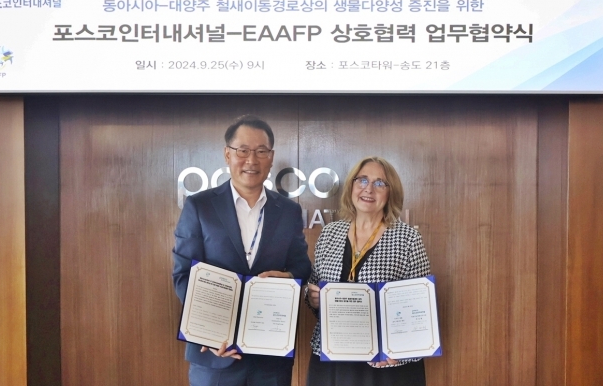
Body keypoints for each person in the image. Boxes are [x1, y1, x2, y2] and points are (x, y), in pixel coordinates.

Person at [172, 115, 312, 386]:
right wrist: (206, 333)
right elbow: (183, 274)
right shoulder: (199, 207)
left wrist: (290, 277)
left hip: (270, 357)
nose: (252, 160)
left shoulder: (289, 211)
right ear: (227, 154)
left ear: (271, 157)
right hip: (214, 356)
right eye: (242, 150)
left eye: (261, 151)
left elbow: (302, 266)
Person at [305, 156, 431, 386]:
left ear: (391, 192)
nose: (369, 189)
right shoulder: (330, 234)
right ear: (351, 186)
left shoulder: (407, 238)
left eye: (380, 183)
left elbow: (421, 311)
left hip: (384, 366)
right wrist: (313, 299)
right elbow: (314, 288)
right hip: (332, 359)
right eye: (362, 180)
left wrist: (401, 354)